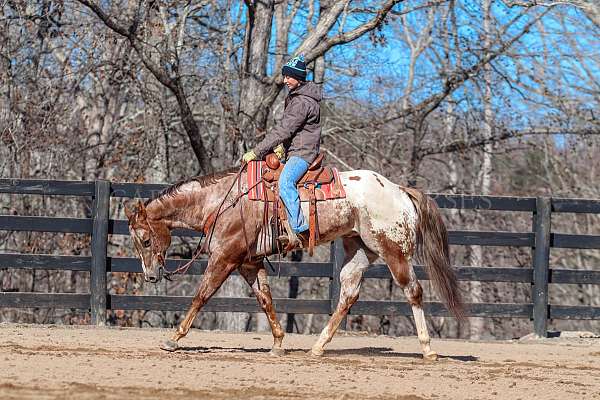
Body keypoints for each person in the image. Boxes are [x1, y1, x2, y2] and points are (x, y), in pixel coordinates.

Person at [242, 55, 322, 248]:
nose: (285, 80)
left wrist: (257, 151)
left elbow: (284, 130)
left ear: (298, 77)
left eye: (288, 77)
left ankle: (300, 229)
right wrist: (281, 147)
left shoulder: (302, 101)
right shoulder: (297, 97)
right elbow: (292, 130)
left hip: (303, 153)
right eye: (284, 76)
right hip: (294, 150)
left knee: (286, 182)